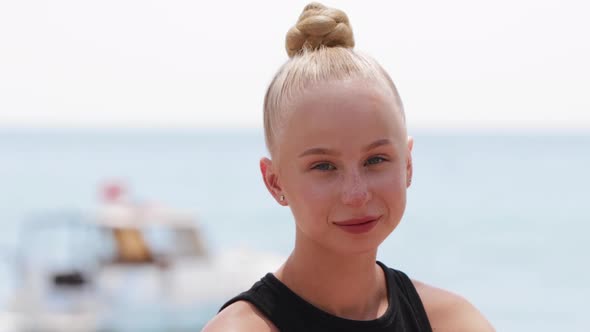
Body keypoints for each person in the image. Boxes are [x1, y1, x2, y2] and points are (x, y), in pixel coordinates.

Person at [204, 3, 494, 331]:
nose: (356, 194)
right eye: (324, 166)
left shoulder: (452, 322)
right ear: (274, 182)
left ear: (408, 164)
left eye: (375, 160)